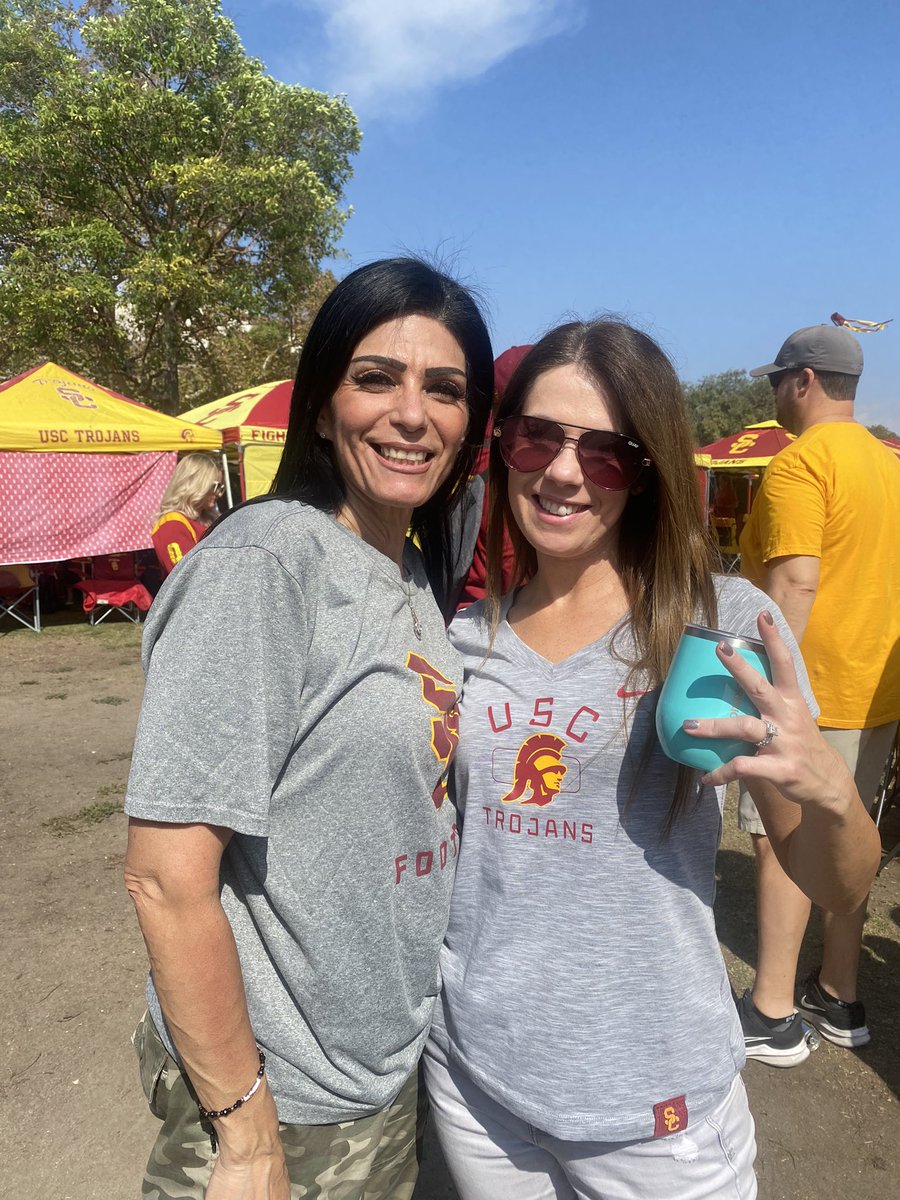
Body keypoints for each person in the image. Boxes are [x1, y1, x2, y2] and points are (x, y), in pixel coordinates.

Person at [423, 320, 881, 1199]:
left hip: (655, 1108)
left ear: (649, 471)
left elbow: (842, 884)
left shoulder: (724, 628)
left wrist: (826, 784)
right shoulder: (458, 639)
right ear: (502, 447)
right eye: (536, 436)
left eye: (605, 452)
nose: (561, 471)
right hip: (480, 1083)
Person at [123, 257, 494, 1200]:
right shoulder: (264, 567)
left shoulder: (405, 565)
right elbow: (167, 878)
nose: (413, 414)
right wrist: (245, 1136)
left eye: (444, 390)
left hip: (380, 1078)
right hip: (282, 1107)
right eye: (376, 377)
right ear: (323, 403)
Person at [736, 324, 900, 1064]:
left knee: (786, 843)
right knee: (850, 839)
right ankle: (839, 995)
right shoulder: (890, 463)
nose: (773, 391)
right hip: (878, 693)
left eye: (778, 379)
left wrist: (775, 691)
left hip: (815, 690)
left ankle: (771, 1011)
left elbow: (794, 580)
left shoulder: (801, 463)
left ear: (803, 381)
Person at [151, 453, 224, 574]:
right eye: (215, 487)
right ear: (196, 484)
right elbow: (187, 575)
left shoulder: (209, 520)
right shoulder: (172, 524)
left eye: (221, 488)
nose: (219, 493)